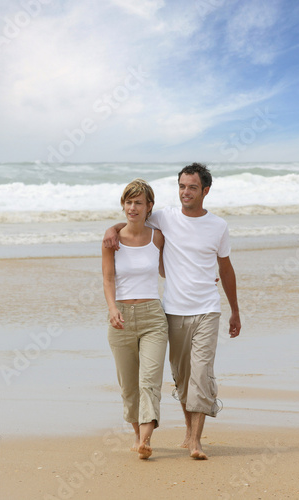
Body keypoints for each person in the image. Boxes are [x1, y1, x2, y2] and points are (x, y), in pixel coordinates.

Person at [103, 163, 241, 460]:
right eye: (181, 186)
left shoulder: (218, 226)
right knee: (181, 377)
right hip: (173, 311)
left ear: (205, 190)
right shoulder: (165, 218)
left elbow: (226, 269)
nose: (185, 192)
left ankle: (195, 440)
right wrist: (110, 229)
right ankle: (187, 433)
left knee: (201, 375)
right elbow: (132, 217)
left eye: (192, 187)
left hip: (208, 309)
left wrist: (235, 311)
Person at [102, 178, 168, 460]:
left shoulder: (158, 237)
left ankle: (145, 439)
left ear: (149, 206)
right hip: (121, 319)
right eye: (128, 202)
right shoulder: (111, 240)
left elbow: (170, 270)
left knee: (149, 381)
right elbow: (107, 278)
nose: (132, 207)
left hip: (154, 316)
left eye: (138, 202)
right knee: (129, 386)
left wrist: (204, 277)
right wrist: (112, 308)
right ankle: (137, 436)